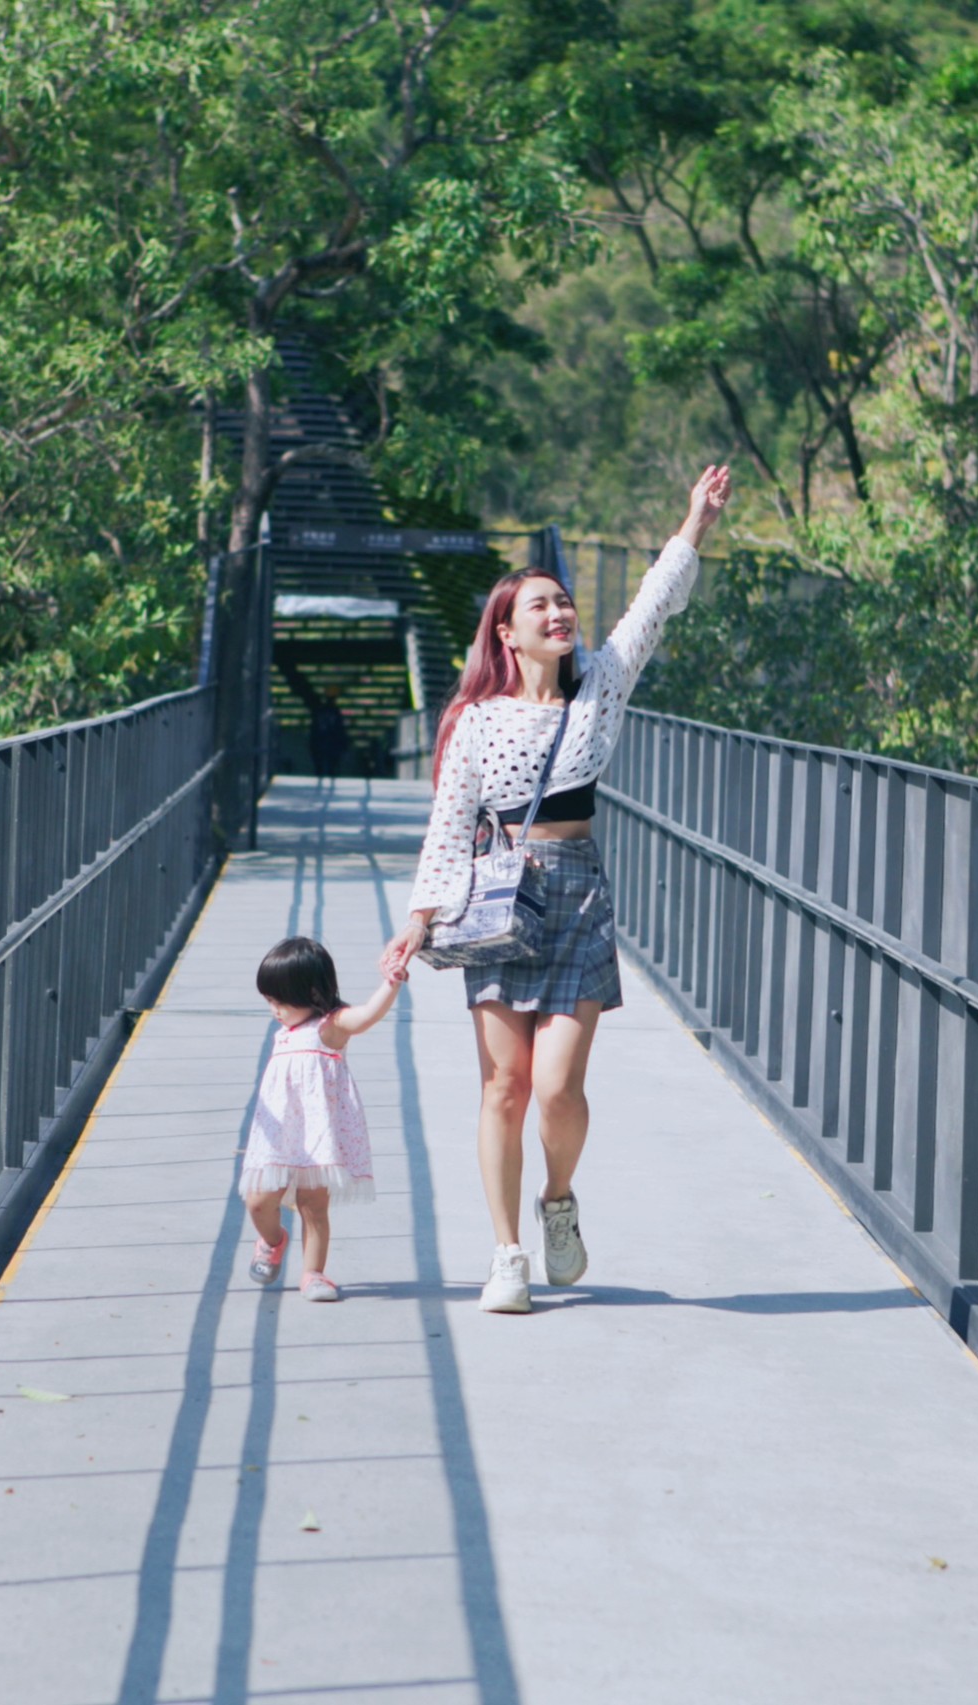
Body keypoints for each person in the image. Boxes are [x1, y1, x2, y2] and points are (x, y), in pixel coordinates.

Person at [379, 464, 734, 1313]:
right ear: (507, 632)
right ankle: (507, 1254)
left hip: (575, 892)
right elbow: (449, 821)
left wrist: (696, 523)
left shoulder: (601, 685)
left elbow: (650, 607)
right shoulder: (474, 719)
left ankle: (557, 1200)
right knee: (502, 1084)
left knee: (557, 1087)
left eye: (563, 601)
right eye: (540, 605)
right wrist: (420, 917)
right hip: (498, 895)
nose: (559, 612)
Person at [242, 935, 404, 1301]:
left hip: (318, 1134)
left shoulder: (330, 1025)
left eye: (281, 1002)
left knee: (314, 1205)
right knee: (257, 1200)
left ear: (311, 994)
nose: (275, 1011)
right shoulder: (286, 1031)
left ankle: (313, 1274)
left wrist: (390, 984)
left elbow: (367, 1015)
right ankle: (273, 1239)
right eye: (270, 1002)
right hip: (279, 1133)